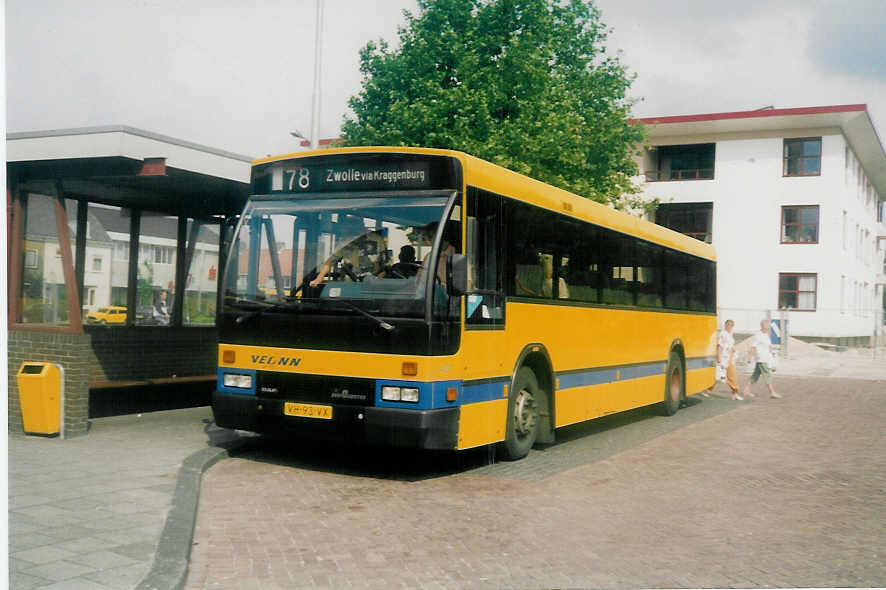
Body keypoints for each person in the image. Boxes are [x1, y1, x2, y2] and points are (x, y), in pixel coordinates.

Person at [742, 318, 781, 399]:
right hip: (761, 359)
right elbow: (753, 347)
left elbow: (769, 346)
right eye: (767, 326)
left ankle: (746, 390)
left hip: (766, 359)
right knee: (768, 375)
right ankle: (772, 392)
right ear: (763, 326)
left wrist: (773, 357)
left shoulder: (766, 335)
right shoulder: (758, 335)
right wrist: (750, 357)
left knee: (755, 375)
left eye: (768, 326)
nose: (768, 327)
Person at [707, 319, 740, 399]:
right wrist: (719, 357)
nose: (730, 326)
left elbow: (730, 345)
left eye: (731, 325)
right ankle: (735, 393)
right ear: (725, 325)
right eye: (728, 325)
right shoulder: (723, 334)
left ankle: (707, 390)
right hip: (724, 358)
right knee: (725, 376)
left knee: (723, 376)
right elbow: (720, 346)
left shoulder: (730, 334)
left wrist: (734, 350)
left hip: (729, 358)